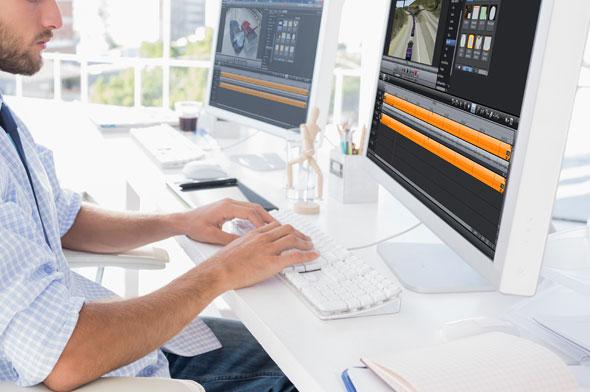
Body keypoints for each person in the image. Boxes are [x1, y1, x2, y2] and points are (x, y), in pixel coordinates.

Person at [0, 1, 318, 391]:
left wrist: (179, 222)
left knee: (288, 342)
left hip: (105, 338)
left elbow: (61, 219)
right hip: (98, 363)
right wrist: (223, 271)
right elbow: (65, 357)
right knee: (311, 370)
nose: (55, 19)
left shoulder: (5, 115)